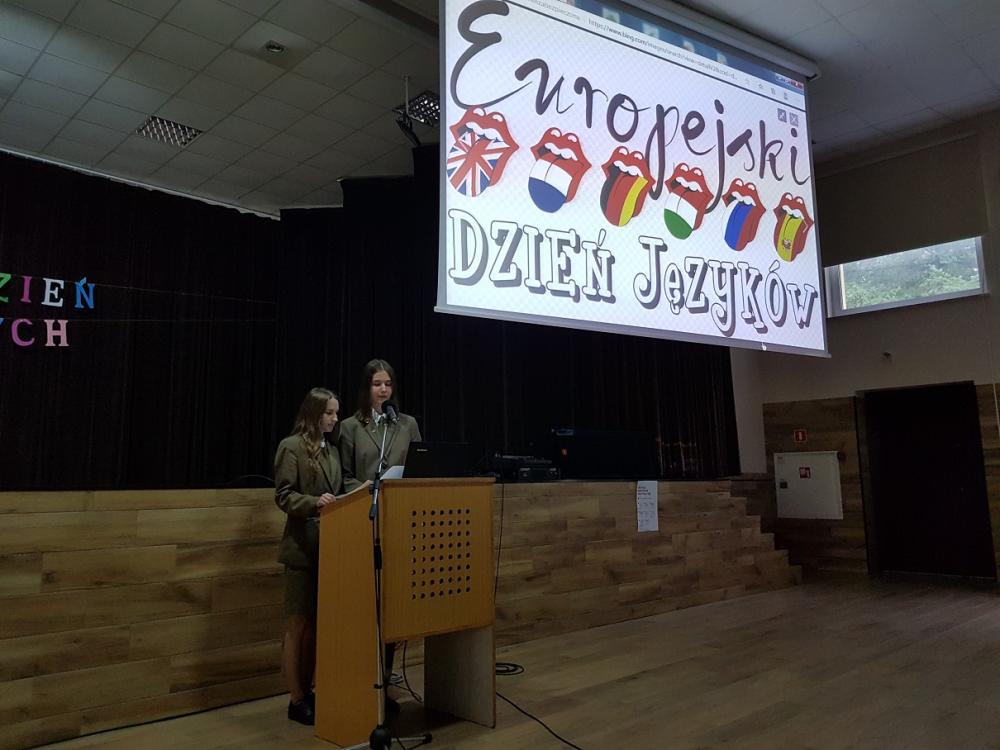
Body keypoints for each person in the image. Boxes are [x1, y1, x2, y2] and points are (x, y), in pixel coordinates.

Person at [338, 359, 421, 713]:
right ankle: (358, 683)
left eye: (388, 384)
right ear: (366, 388)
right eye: (377, 384)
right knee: (364, 606)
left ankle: (385, 682)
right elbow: (342, 477)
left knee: (390, 606)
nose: (383, 390)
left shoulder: (407, 424)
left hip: (400, 521)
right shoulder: (350, 427)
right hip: (362, 519)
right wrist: (366, 490)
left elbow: (420, 467)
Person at [274, 387, 342, 726]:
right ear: (314, 414)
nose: (335, 419)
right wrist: (314, 503)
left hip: (328, 548)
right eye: (329, 413)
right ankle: (296, 698)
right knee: (296, 625)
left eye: (336, 413)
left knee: (315, 626)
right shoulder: (291, 446)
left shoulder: (332, 450)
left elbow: (338, 491)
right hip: (301, 549)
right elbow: (284, 496)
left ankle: (310, 689)